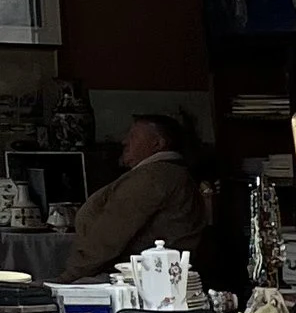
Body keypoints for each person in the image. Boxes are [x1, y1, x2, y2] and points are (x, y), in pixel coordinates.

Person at [68, 114, 207, 278]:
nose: (124, 142)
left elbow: (111, 233)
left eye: (133, 136)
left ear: (158, 143)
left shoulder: (155, 176)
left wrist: (70, 276)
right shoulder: (165, 173)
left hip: (141, 279)